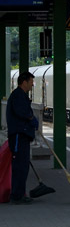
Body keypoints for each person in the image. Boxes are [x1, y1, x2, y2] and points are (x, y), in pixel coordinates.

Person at [5, 71, 38, 204]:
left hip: (22, 135)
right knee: (19, 166)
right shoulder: (18, 96)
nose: (32, 84)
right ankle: (17, 195)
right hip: (19, 135)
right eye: (31, 82)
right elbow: (22, 112)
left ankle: (19, 193)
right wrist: (31, 118)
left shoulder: (20, 95)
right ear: (24, 82)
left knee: (23, 165)